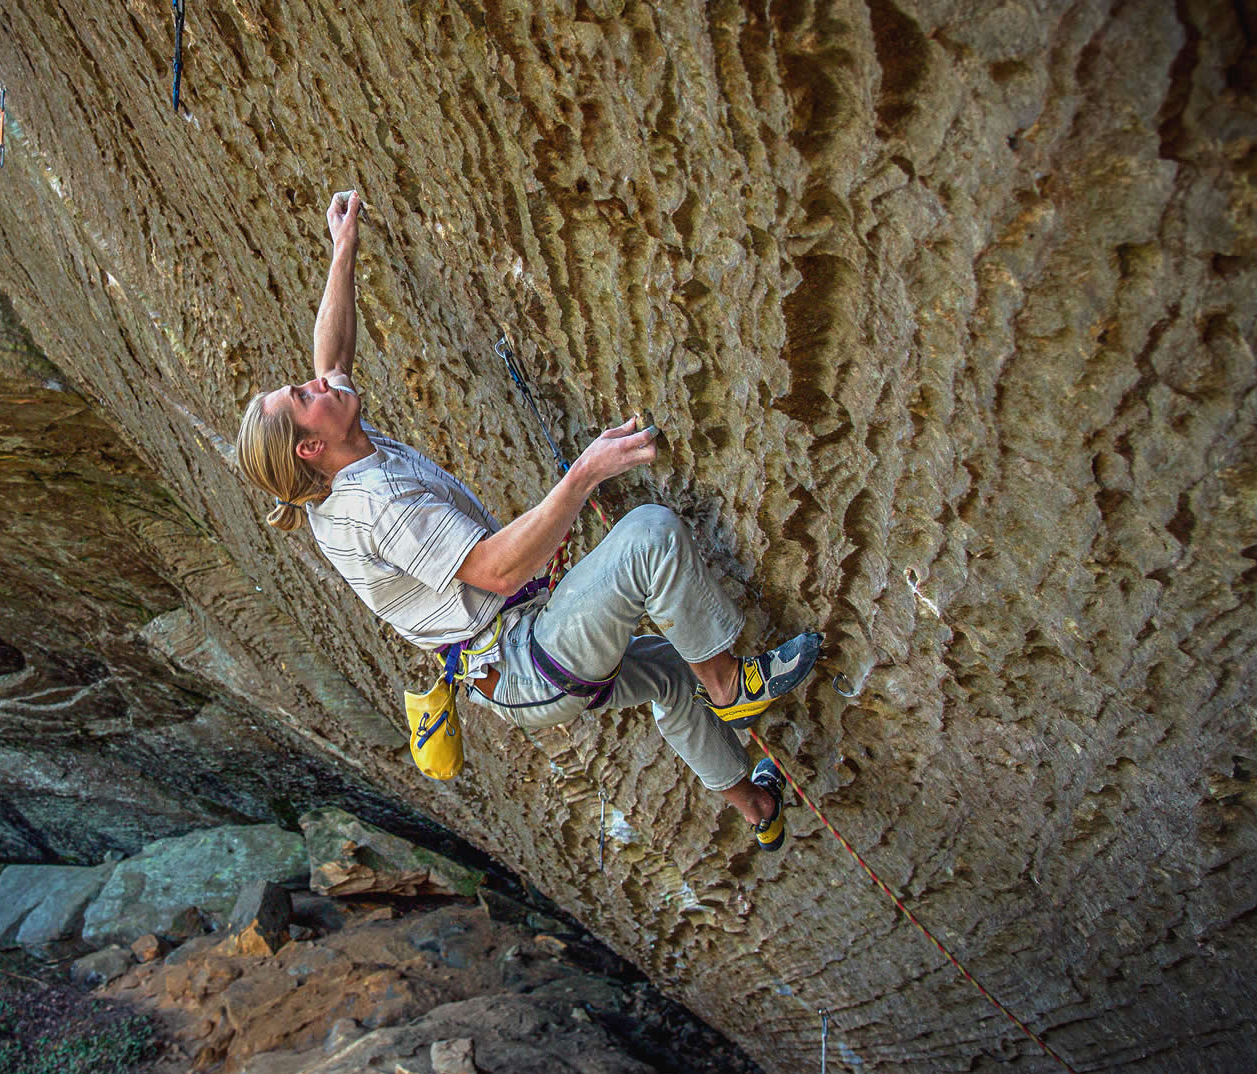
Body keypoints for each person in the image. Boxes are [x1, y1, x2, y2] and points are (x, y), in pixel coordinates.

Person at [235, 190, 822, 851]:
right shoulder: (378, 508)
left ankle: (756, 807)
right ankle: (730, 686)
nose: (319, 384)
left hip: (514, 662)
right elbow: (497, 566)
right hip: (526, 662)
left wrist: (342, 251)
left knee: (665, 674)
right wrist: (585, 472)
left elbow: (330, 357)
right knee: (650, 538)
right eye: (305, 397)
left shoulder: (327, 468)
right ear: (311, 448)